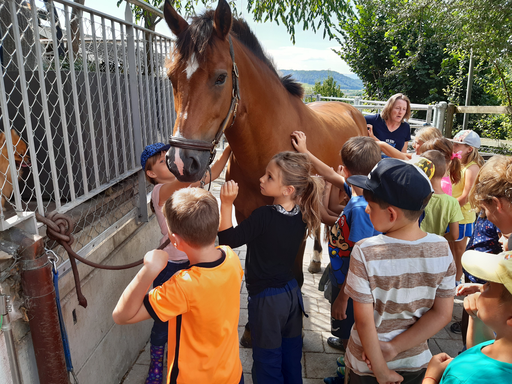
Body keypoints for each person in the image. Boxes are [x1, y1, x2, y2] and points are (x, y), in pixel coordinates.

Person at [112, 188, 244, 384]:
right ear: (214, 226)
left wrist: (150, 269)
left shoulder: (182, 286)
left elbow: (122, 316)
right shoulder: (230, 257)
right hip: (232, 375)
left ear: (174, 240)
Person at [344, 158, 456, 384]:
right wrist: (393, 348)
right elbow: (442, 313)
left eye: (371, 206)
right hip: (414, 360)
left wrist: (381, 371)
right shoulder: (442, 248)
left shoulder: (365, 251)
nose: (366, 209)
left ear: (392, 214)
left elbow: (364, 321)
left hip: (366, 364)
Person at [218, 151, 322, 384]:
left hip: (268, 301)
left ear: (288, 190)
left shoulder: (264, 216)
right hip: (292, 295)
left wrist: (226, 203)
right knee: (291, 357)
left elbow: (227, 240)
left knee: (267, 362)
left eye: (269, 177)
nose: (261, 179)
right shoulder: (302, 215)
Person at [140, 142, 231, 383]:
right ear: (151, 174)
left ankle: (183, 359)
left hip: (194, 264)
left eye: (168, 158)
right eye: (162, 162)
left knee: (190, 318)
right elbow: (186, 179)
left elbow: (216, 171)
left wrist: (230, 146)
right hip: (169, 266)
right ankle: (156, 366)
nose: (168, 163)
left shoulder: (187, 181)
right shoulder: (160, 191)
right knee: (162, 321)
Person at [291, 132, 381, 362]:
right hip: (343, 276)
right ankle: (346, 348)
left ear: (347, 172)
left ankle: (349, 367)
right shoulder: (359, 192)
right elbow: (329, 174)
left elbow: (360, 257)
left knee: (352, 327)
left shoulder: (362, 209)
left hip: (353, 286)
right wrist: (305, 152)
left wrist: (343, 297)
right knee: (346, 326)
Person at [423, 250, 512, 384]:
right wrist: (476, 317)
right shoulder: (502, 345)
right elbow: (485, 351)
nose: (481, 289)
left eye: (489, 285)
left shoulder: (463, 377)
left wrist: (431, 377)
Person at [449, 130, 484, 283]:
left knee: (458, 249)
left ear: (470, 149)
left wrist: (447, 207)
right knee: (450, 247)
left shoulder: (472, 168)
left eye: (458, 145)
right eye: (454, 143)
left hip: (461, 215)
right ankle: (450, 277)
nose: (454, 147)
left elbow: (466, 196)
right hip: (452, 212)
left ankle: (457, 280)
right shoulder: (457, 163)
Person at [419, 150, 463, 240]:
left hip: (415, 245)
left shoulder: (417, 196)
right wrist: (437, 239)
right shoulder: (453, 202)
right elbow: (455, 235)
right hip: (436, 248)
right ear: (444, 172)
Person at [369, 125, 442, 160]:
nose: (413, 145)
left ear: (427, 144)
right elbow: (396, 153)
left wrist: (380, 144)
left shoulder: (423, 161)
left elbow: (401, 156)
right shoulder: (438, 159)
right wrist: (373, 138)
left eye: (417, 143)